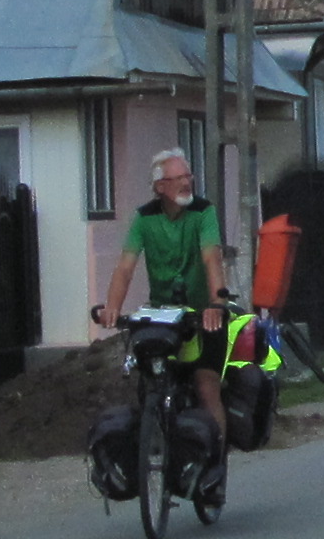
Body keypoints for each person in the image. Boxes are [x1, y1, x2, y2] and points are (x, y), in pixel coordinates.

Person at [92, 147, 230, 443]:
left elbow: (211, 259)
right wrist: (112, 307)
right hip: (164, 317)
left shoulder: (203, 211)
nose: (186, 183)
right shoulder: (145, 218)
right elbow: (125, 267)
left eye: (188, 176)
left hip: (202, 314)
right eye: (178, 178)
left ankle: (216, 455)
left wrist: (216, 304)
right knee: (151, 381)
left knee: (206, 385)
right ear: (160, 187)